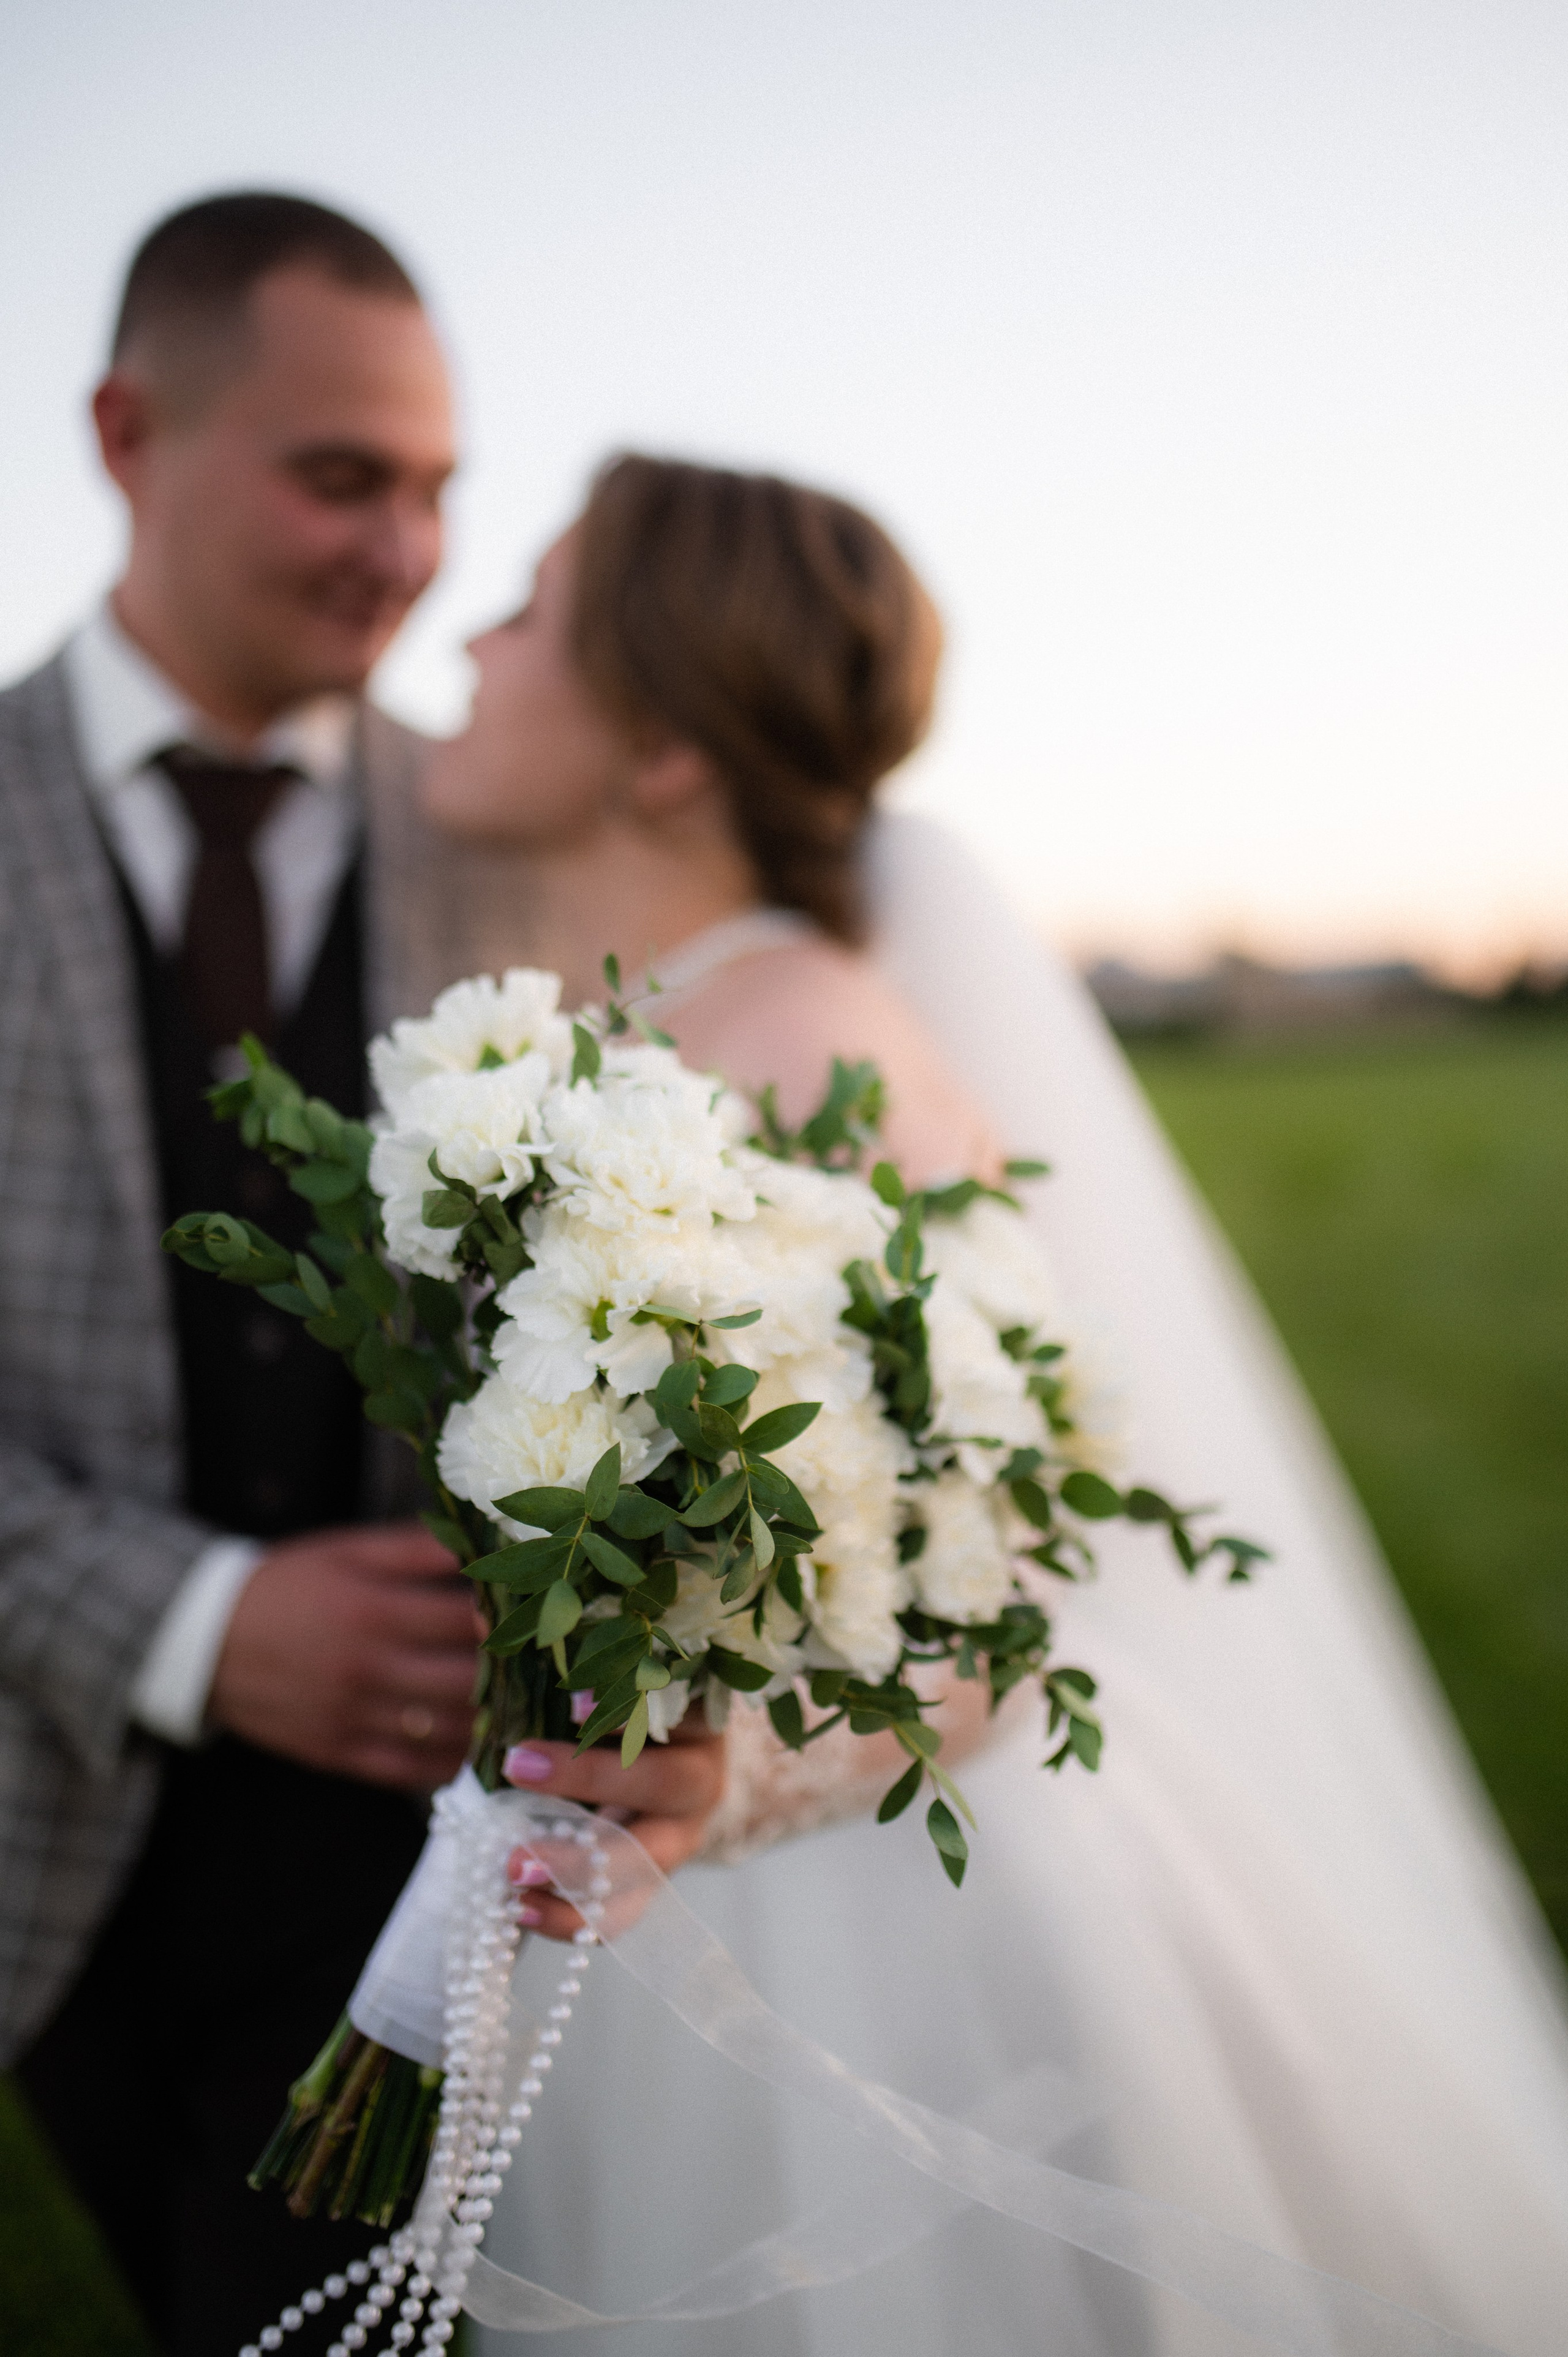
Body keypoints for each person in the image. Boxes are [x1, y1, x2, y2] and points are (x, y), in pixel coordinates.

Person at [421, 453, 1568, 2356]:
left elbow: (999, 1593)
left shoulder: (805, 1049)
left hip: (876, 1926)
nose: (473, 636)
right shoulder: (644, 1022)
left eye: (532, 604)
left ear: (668, 749)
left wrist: (740, 1781)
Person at [0, 202, 724, 2356]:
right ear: (128, 433)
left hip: (446, 1873)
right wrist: (197, 1622)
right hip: (49, 1839)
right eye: (343, 476)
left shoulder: (529, 831)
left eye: (438, 489)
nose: (409, 551)